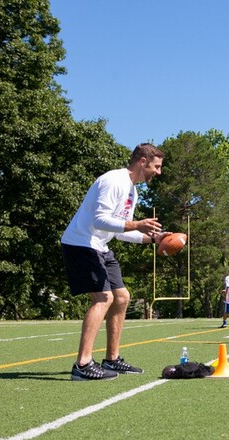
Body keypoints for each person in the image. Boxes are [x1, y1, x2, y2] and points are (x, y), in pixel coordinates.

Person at [61, 143, 166, 381]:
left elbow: (119, 230)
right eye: (156, 166)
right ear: (142, 161)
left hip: (100, 246)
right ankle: (83, 364)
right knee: (103, 298)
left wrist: (152, 238)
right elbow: (100, 220)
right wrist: (138, 224)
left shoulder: (132, 191)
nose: (158, 172)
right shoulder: (113, 181)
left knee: (121, 297)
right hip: (81, 243)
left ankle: (112, 359)